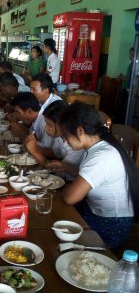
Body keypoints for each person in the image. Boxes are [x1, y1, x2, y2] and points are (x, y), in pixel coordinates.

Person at [59, 102, 139, 248]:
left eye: (65, 136)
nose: (64, 142)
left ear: (80, 131)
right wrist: (64, 166)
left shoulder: (102, 156)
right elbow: (91, 177)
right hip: (94, 211)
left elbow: (70, 197)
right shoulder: (98, 145)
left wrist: (65, 190)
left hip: (110, 226)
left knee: (56, 233)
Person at [25, 100, 84, 180]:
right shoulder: (59, 137)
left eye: (50, 125)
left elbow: (58, 174)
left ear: (62, 124)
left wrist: (34, 151)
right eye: (46, 124)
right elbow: (56, 154)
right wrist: (33, 145)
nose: (46, 128)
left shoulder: (76, 145)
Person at [29, 73, 62, 146]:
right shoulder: (38, 102)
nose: (30, 92)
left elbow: (49, 147)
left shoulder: (55, 107)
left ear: (46, 91)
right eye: (30, 89)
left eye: (34, 89)